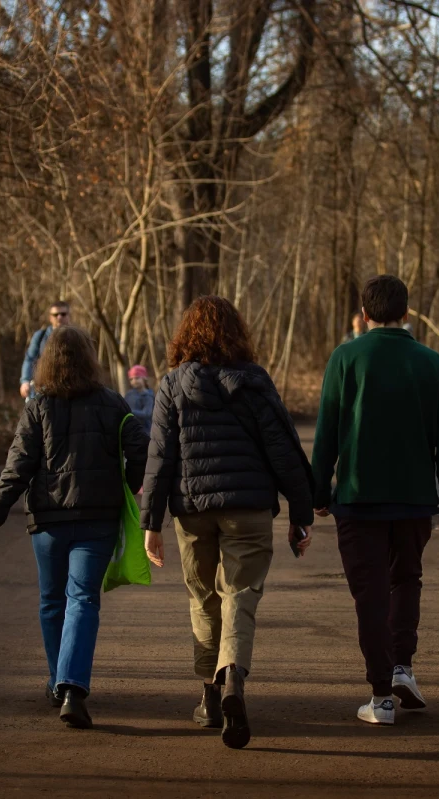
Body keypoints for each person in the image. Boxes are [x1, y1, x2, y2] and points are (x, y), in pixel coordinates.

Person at [140, 296, 314, 750]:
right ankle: (233, 675)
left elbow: (159, 458)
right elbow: (284, 449)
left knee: (202, 596)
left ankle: (209, 696)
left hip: (192, 509)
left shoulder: (173, 384)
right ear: (238, 333)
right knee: (240, 594)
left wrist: (150, 523)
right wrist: (301, 512)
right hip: (249, 507)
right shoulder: (254, 382)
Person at [0, 326, 149, 730]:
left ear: (47, 362)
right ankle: (72, 688)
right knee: (83, 599)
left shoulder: (38, 408)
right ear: (90, 361)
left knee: (52, 601)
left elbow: (18, 466)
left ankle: (59, 682)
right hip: (98, 520)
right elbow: (142, 448)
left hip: (49, 523)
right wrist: (128, 484)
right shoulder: (113, 404)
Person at [312, 274, 439, 727]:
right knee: (406, 580)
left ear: (363, 315)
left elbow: (328, 431)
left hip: (359, 498)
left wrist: (318, 492)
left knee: (370, 596)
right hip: (415, 499)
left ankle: (381, 696)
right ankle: (403, 668)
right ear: (407, 314)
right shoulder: (430, 362)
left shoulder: (345, 357)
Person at [19, 301, 73, 400]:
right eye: (56, 314)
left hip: (70, 391)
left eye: (63, 314)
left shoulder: (77, 338)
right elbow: (30, 359)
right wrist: (25, 381)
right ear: (50, 317)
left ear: (69, 316)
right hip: (42, 391)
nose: (59, 317)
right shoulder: (40, 336)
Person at [125, 365, 155, 434]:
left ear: (144, 379)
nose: (134, 381)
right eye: (131, 379)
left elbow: (147, 413)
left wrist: (129, 411)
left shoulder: (148, 395)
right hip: (131, 430)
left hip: (145, 431)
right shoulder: (129, 394)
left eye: (137, 378)